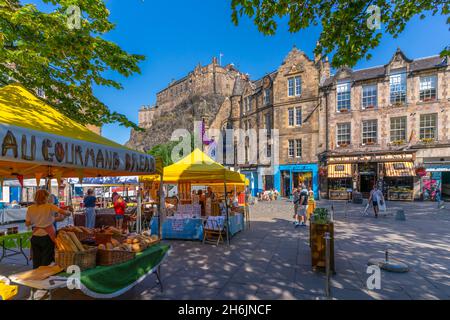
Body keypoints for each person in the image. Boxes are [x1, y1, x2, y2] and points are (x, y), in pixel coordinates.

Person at [25, 189, 72, 269]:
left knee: (36, 260)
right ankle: (44, 277)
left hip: (35, 236)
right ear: (46, 197)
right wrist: (69, 212)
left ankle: (36, 277)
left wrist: (38, 220)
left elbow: (27, 224)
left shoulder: (30, 208)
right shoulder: (50, 206)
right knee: (47, 260)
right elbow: (65, 213)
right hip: (47, 236)